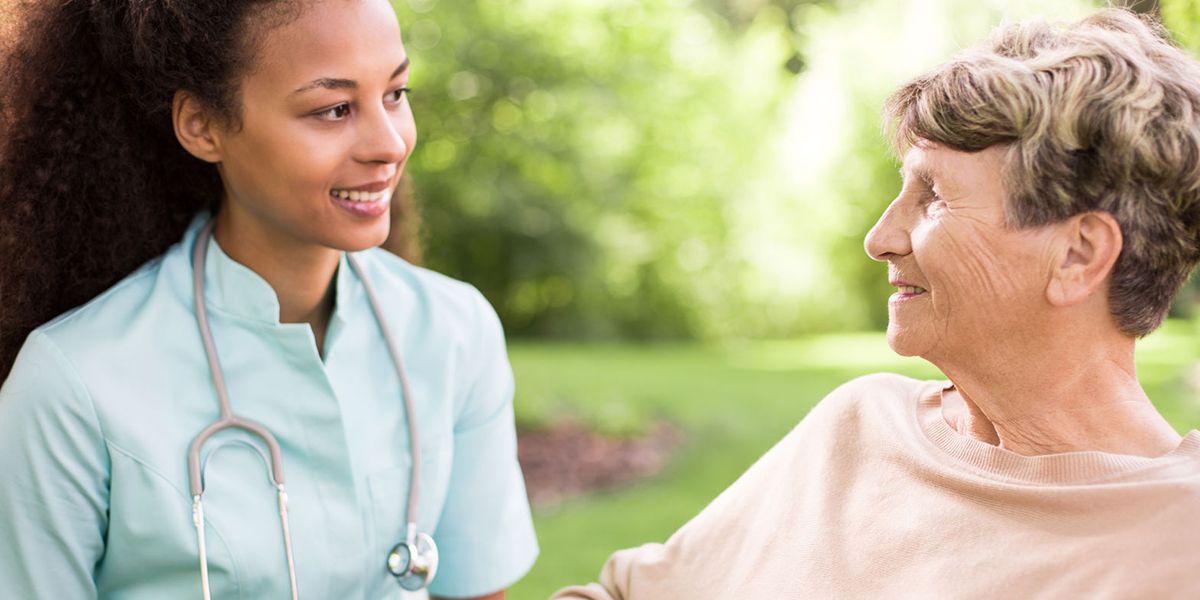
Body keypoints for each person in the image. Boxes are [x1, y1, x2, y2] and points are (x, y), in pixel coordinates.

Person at [554, 8, 1200, 598]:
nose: (880, 238)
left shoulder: (1178, 546)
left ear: (1078, 255)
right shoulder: (862, 428)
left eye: (934, 196)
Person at [0, 0, 537, 598]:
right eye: (333, 109)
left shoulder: (453, 328)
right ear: (202, 125)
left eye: (395, 93)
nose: (389, 145)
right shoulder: (71, 385)